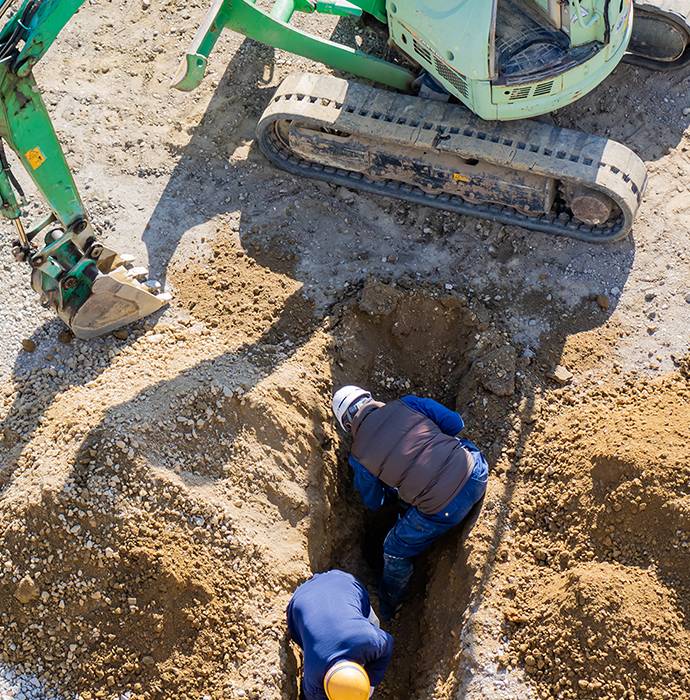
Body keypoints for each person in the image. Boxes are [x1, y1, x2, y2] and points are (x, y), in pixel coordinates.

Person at [332, 386, 489, 620]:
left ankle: (389, 607)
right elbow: (455, 424)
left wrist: (396, 491)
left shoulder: (359, 457)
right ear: (370, 398)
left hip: (445, 510)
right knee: (456, 444)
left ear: (347, 426)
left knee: (394, 550)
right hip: (476, 473)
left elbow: (374, 502)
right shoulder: (408, 403)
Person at [286, 569, 393, 700]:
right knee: (308, 644)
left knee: (373, 623)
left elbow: (388, 643)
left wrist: (369, 683)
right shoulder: (313, 683)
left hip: (344, 583)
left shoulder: (369, 640)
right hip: (300, 600)